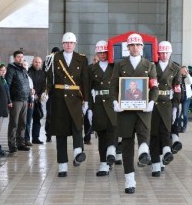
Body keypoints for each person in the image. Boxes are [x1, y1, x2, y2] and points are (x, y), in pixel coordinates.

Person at [110, 33, 159, 194]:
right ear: (128, 47)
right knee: (126, 145)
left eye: (138, 45)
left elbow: (154, 86)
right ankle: (129, 180)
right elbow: (113, 87)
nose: (135, 47)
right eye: (132, 45)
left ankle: (144, 152)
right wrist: (115, 102)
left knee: (144, 134)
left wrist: (152, 101)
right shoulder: (120, 65)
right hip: (125, 111)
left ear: (142, 47)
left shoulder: (149, 65)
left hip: (143, 110)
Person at [46, 32, 90, 177]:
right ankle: (62, 165)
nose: (69, 45)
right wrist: (46, 93)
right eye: (66, 43)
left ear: (75, 44)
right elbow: (49, 79)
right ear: (62, 44)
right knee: (61, 133)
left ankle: (78, 152)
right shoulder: (53, 58)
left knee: (77, 126)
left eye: (71, 43)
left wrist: (86, 101)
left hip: (76, 98)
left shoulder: (82, 59)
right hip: (59, 99)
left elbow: (85, 81)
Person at [150, 41, 181, 177]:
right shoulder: (151, 66)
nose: (164, 55)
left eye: (166, 52)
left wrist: (175, 106)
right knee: (153, 133)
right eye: (161, 52)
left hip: (167, 103)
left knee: (165, 131)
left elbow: (177, 88)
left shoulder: (175, 68)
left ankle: (164, 156)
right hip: (154, 102)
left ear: (170, 53)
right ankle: (155, 162)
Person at [88, 40, 117, 176]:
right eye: (100, 52)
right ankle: (103, 163)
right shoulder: (91, 69)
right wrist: (89, 107)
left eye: (105, 52)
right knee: (102, 134)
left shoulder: (115, 66)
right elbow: (88, 89)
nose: (102, 55)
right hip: (99, 103)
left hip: (113, 102)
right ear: (96, 53)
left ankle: (111, 153)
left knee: (113, 129)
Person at [5, 50, 31, 153]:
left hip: (24, 99)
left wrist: (29, 95)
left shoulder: (23, 69)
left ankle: (21, 143)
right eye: (19, 57)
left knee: (23, 123)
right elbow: (7, 85)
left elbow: (26, 84)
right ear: (14, 58)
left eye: (22, 57)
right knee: (14, 123)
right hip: (15, 100)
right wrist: (9, 100)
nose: (21, 59)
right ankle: (12, 144)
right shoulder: (11, 69)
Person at [27, 56, 46, 145]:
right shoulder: (28, 72)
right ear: (32, 62)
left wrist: (40, 95)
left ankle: (35, 137)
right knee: (27, 120)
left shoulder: (43, 73)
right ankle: (26, 138)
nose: (37, 64)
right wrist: (32, 95)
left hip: (38, 100)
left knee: (37, 118)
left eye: (39, 62)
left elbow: (44, 85)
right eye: (36, 62)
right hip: (29, 99)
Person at [44, 47, 60, 143]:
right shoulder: (47, 62)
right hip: (50, 92)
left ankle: (57, 132)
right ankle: (48, 134)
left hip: (59, 92)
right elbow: (45, 76)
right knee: (49, 114)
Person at [177, 66, 192, 133]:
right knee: (178, 114)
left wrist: (187, 74)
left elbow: (190, 82)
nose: (184, 71)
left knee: (185, 113)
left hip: (186, 98)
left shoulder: (187, 78)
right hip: (179, 98)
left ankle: (184, 127)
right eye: (182, 70)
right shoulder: (178, 78)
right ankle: (179, 126)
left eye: (185, 70)